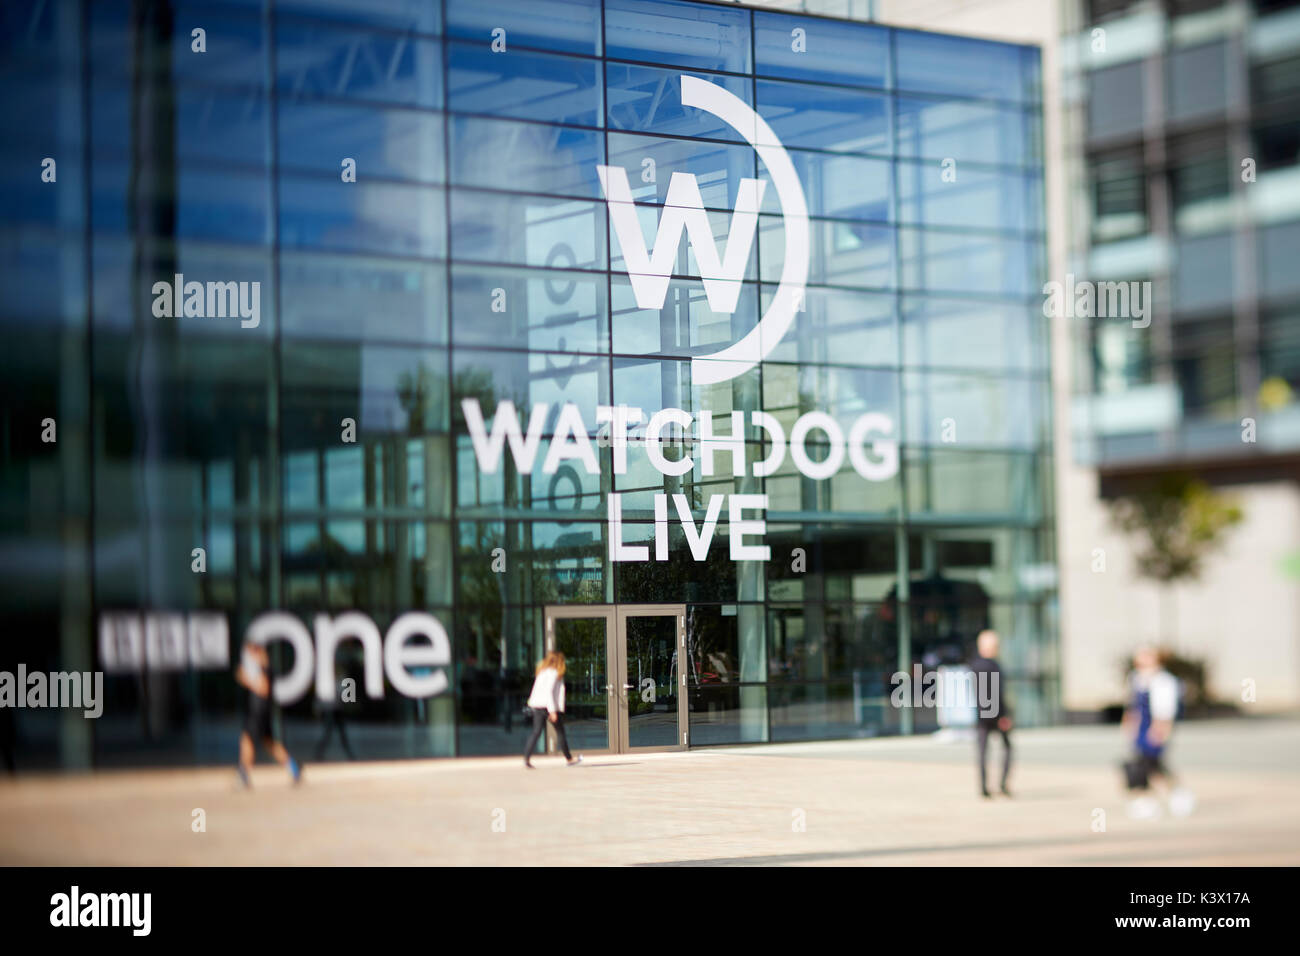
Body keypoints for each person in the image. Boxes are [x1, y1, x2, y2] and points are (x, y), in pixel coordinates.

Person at [1122, 646, 1194, 818]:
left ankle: (1164, 796)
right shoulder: (1137, 679)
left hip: (1154, 726)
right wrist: (1129, 724)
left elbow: (1165, 709)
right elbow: (1133, 707)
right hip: (1141, 728)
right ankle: (1157, 798)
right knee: (1149, 764)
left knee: (1149, 764)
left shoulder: (1164, 681)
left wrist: (1160, 730)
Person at [236, 642, 301, 788]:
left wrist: (247, 680)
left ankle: (243, 773)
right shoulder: (261, 669)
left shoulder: (264, 669)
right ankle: (293, 768)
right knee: (270, 744)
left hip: (258, 712)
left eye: (252, 653)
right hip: (260, 711)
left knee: (247, 740)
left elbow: (263, 690)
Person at [969, 629, 1013, 798]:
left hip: (981, 714)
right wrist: (1003, 715)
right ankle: (1002, 785)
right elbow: (997, 693)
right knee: (1007, 748)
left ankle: (983, 788)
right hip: (995, 714)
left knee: (982, 752)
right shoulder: (993, 666)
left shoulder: (974, 666)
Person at [522, 651, 582, 769]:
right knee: (560, 732)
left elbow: (536, 691)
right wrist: (552, 711)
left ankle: (526, 758)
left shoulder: (542, 672)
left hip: (538, 706)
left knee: (536, 732)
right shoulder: (554, 673)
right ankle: (569, 759)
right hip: (548, 706)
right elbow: (548, 692)